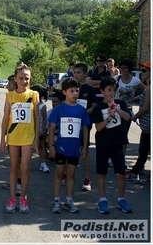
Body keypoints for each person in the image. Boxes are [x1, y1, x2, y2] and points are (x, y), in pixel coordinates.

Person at [0, 65, 39, 214]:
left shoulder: (34, 94)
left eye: (27, 78)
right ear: (15, 79)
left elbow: (36, 118)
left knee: (25, 167)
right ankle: (12, 199)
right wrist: (2, 139)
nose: (24, 81)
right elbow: (5, 118)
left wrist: (36, 139)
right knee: (13, 167)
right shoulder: (10, 96)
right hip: (14, 137)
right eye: (21, 78)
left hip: (28, 137)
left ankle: (23, 197)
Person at [90, 76, 132, 214]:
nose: (112, 93)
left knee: (120, 173)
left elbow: (127, 117)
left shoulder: (121, 103)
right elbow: (99, 128)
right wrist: (109, 116)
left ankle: (121, 199)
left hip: (117, 143)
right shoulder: (98, 107)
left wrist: (115, 108)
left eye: (114, 90)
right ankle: (102, 200)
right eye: (109, 90)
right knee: (101, 173)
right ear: (102, 91)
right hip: (103, 143)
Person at [48, 78, 90, 214]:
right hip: (61, 147)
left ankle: (69, 200)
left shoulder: (81, 110)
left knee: (71, 174)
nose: (75, 93)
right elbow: (52, 127)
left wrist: (84, 147)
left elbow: (85, 129)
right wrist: (51, 146)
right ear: (64, 92)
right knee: (59, 173)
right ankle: (56, 201)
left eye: (77, 91)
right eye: (72, 91)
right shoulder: (59, 109)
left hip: (74, 148)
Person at [73, 63, 97, 191]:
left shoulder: (90, 89)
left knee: (84, 148)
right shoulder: (69, 88)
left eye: (79, 72)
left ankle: (87, 178)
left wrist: (83, 113)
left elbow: (94, 106)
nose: (76, 75)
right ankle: (66, 174)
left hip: (85, 123)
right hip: (71, 122)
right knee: (70, 147)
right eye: (74, 72)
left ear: (85, 74)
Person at [114, 59, 146, 156]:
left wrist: (137, 97)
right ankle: (112, 156)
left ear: (129, 69)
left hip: (127, 109)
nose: (122, 70)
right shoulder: (116, 78)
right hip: (115, 108)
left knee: (123, 135)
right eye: (121, 67)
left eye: (125, 68)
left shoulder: (135, 80)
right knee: (114, 133)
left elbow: (147, 91)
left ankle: (122, 157)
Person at [126, 61, 150, 184]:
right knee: (143, 151)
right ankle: (136, 171)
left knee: (145, 150)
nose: (142, 72)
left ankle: (138, 173)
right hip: (147, 127)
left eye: (145, 70)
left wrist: (134, 116)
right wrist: (137, 98)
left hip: (149, 127)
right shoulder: (148, 88)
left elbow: (146, 107)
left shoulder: (150, 88)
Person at [30, 85, 50, 174]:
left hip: (40, 129)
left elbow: (45, 118)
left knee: (41, 146)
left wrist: (43, 129)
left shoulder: (42, 106)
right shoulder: (30, 105)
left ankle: (43, 163)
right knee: (29, 146)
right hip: (30, 129)